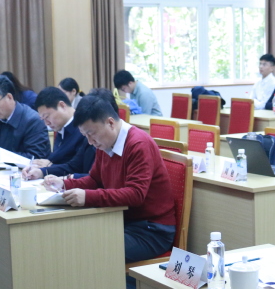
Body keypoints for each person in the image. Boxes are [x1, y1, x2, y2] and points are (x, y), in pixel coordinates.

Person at [43, 91, 176, 263]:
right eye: (85, 136)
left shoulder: (138, 144)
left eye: (92, 134)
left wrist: (87, 197)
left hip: (151, 230)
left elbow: (135, 194)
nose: (90, 141)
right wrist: (64, 184)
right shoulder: (104, 143)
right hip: (121, 220)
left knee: (90, 250)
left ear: (110, 123)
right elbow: (95, 180)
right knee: (70, 236)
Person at [22, 87, 95, 179]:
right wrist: (41, 170)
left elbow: (76, 167)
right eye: (43, 119)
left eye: (47, 117)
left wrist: (50, 166)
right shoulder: (61, 127)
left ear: (62, 106)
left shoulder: (83, 130)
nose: (46, 123)